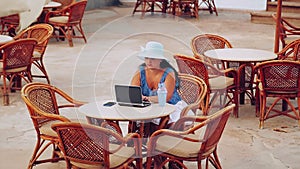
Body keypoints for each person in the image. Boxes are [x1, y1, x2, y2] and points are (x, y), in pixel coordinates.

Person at [131, 41, 186, 135]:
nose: (149, 61)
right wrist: (142, 98)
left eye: (152, 58)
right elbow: (133, 92)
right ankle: (136, 143)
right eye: (147, 58)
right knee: (134, 120)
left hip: (169, 106)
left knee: (159, 123)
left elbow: (166, 98)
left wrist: (146, 98)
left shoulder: (169, 73)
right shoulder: (141, 71)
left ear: (160, 60)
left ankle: (157, 142)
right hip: (149, 106)